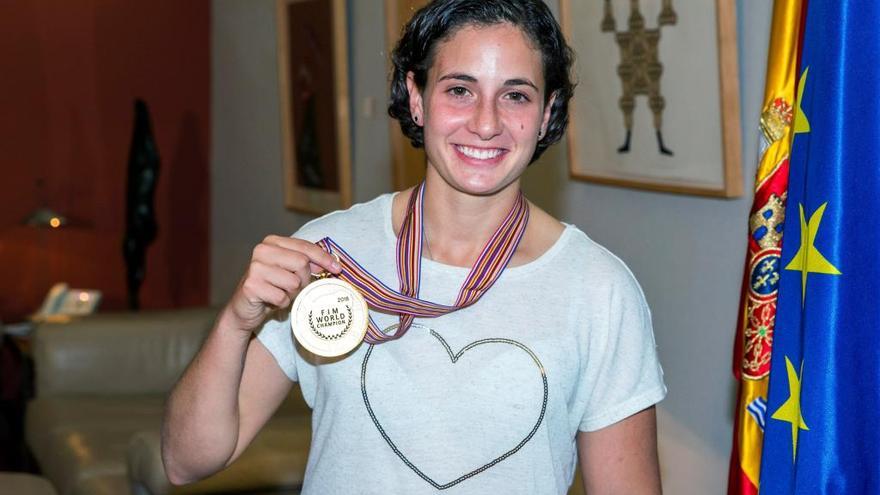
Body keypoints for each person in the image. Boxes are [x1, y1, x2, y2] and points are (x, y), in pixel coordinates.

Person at [161, 1, 666, 493]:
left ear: (546, 111)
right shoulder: (326, 254)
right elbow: (186, 461)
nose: (486, 123)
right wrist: (235, 323)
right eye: (460, 90)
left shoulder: (598, 290)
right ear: (417, 97)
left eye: (515, 95)